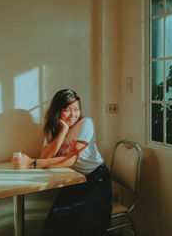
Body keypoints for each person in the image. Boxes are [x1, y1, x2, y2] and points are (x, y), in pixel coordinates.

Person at [12, 89, 112, 236]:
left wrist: (31, 163)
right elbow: (45, 157)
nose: (73, 115)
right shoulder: (52, 129)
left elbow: (71, 159)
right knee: (55, 223)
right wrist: (63, 130)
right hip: (74, 181)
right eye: (67, 110)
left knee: (81, 224)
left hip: (96, 179)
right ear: (58, 111)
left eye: (76, 109)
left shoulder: (85, 123)